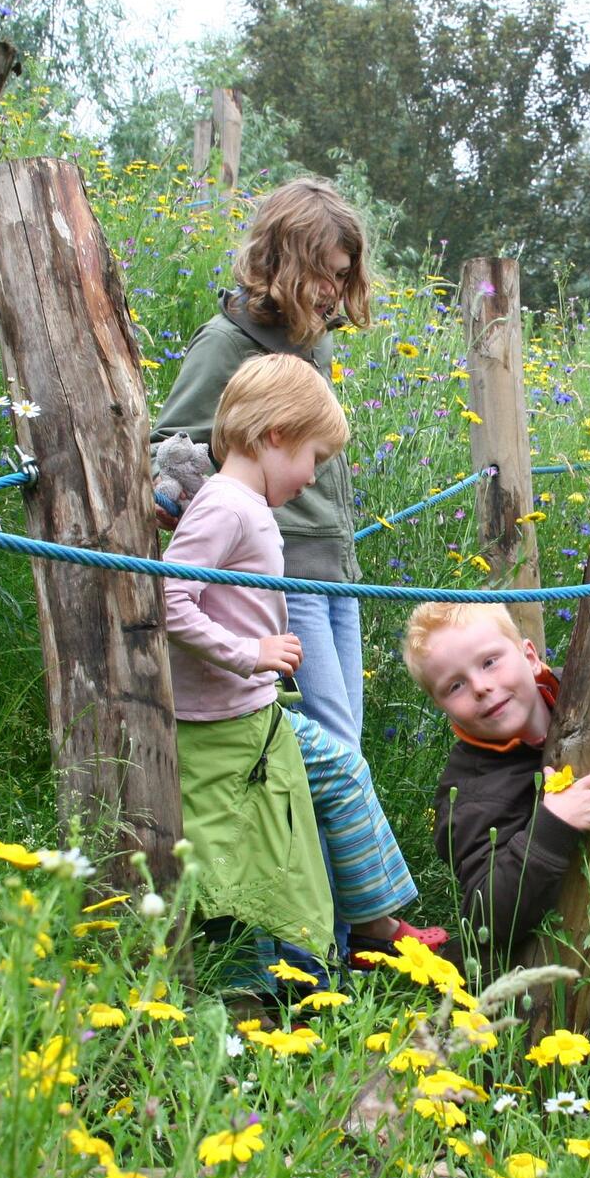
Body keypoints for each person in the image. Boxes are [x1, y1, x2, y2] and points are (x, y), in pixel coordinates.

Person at [153, 178, 443, 962]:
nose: (333, 289)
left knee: (343, 746)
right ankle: (327, 945)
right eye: (324, 270)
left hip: (329, 564)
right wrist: (224, 506)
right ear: (281, 257)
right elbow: (175, 444)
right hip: (275, 576)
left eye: (344, 274)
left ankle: (337, 934)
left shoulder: (310, 344)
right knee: (319, 752)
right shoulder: (227, 345)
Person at [165, 355, 431, 995]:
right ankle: (356, 932)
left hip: (253, 712)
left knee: (334, 781)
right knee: (299, 813)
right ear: (274, 435)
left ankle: (361, 926)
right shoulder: (226, 507)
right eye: (314, 456)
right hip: (227, 720)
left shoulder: (241, 504)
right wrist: (249, 652)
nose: (313, 477)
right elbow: (171, 598)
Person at [400, 601, 590, 1006]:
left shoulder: (578, 696)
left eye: (489, 662)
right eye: (455, 686)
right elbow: (488, 917)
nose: (481, 686)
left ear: (531, 657)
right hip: (547, 975)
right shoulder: (469, 795)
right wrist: (551, 825)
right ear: (443, 709)